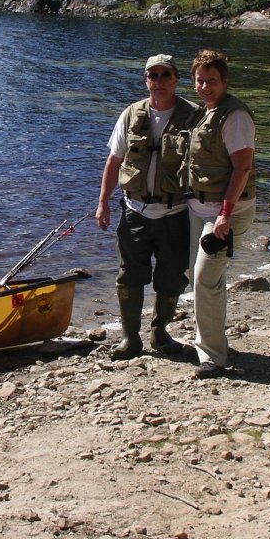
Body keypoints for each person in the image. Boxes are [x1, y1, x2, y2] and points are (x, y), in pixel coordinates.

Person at [95, 54, 198, 360]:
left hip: (176, 214)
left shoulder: (193, 116)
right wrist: (103, 203)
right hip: (134, 211)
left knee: (171, 277)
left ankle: (160, 333)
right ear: (146, 81)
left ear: (176, 79)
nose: (159, 81)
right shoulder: (131, 114)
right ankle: (130, 338)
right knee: (129, 275)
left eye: (165, 75)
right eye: (153, 76)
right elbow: (114, 160)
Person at [184, 49, 256, 379]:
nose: (205, 86)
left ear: (224, 81)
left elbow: (243, 167)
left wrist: (225, 214)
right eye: (200, 80)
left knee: (205, 278)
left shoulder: (235, 116)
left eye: (212, 80)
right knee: (205, 278)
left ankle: (212, 356)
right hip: (199, 209)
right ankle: (215, 341)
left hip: (225, 213)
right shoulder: (205, 112)